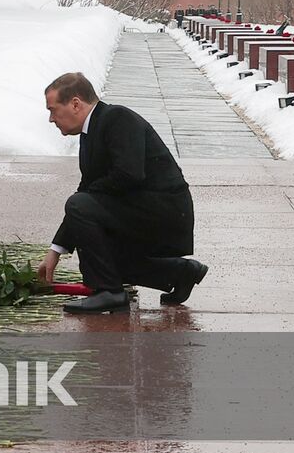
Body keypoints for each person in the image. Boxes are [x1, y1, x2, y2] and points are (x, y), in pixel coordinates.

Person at [38, 72, 208, 314]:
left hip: (164, 213)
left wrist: (88, 197)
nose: (51, 119)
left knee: (81, 207)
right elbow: (87, 191)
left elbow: (129, 174)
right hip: (143, 211)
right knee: (103, 260)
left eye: (53, 109)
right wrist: (55, 251)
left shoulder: (117, 118)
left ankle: (109, 292)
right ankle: (180, 273)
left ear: (75, 103)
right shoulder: (92, 130)